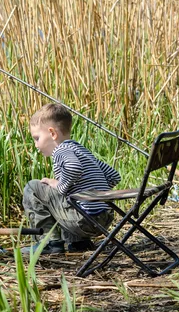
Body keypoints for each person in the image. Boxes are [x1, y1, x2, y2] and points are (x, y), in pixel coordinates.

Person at [21, 103, 121, 255]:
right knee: (73, 195)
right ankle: (78, 242)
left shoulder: (60, 150)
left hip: (83, 221)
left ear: (52, 133)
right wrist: (95, 192)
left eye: (37, 138)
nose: (35, 145)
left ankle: (48, 242)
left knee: (33, 187)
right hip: (104, 218)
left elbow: (74, 168)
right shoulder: (80, 150)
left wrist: (60, 185)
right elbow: (114, 176)